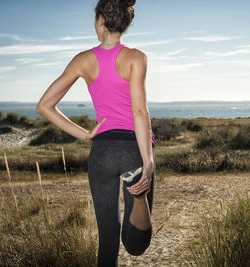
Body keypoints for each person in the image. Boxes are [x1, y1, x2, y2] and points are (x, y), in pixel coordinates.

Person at [35, 0, 156, 266]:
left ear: (100, 21)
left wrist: (85, 135)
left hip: (101, 152)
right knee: (137, 245)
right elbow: (139, 112)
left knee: (107, 240)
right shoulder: (137, 57)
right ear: (126, 23)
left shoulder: (82, 60)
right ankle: (138, 196)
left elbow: (44, 106)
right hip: (133, 149)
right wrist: (147, 162)